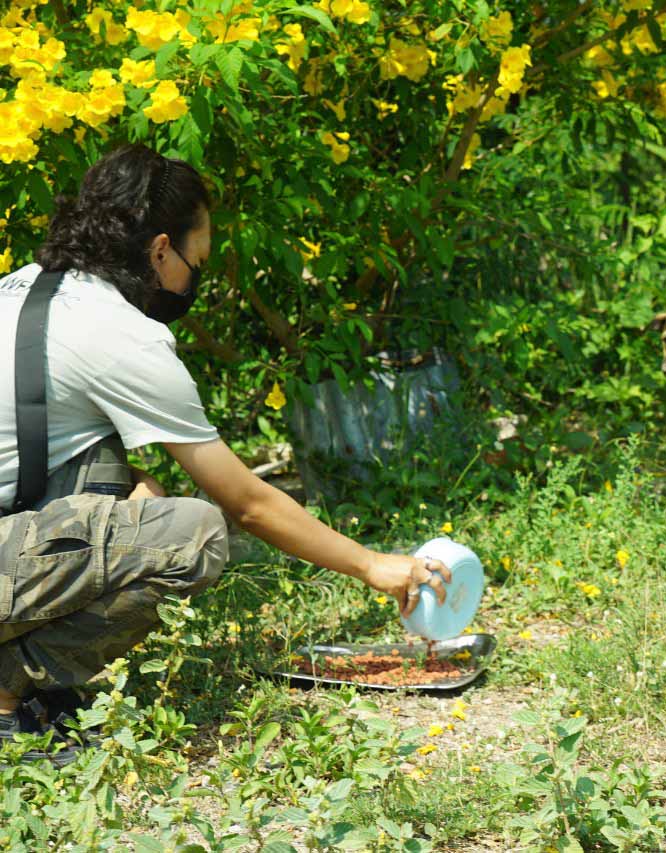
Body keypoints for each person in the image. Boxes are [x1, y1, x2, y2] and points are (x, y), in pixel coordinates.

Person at [0, 144, 449, 764]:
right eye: (197, 259)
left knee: (135, 492)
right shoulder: (118, 334)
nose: (194, 279)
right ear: (160, 250)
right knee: (192, 534)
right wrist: (373, 565)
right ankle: (5, 697)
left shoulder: (22, 288)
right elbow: (247, 503)